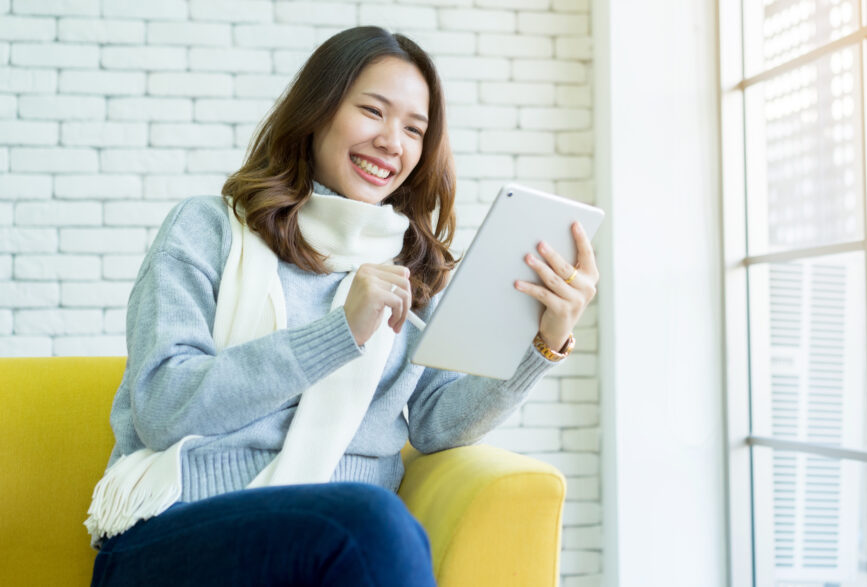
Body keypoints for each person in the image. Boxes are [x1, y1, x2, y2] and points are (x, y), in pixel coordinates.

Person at [85, 25, 598, 587]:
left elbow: (434, 423)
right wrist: (339, 333)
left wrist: (541, 342)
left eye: (413, 129)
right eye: (373, 112)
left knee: (367, 524)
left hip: (346, 550)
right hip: (181, 530)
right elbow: (163, 406)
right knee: (370, 521)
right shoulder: (206, 229)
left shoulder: (413, 271)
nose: (391, 141)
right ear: (318, 112)